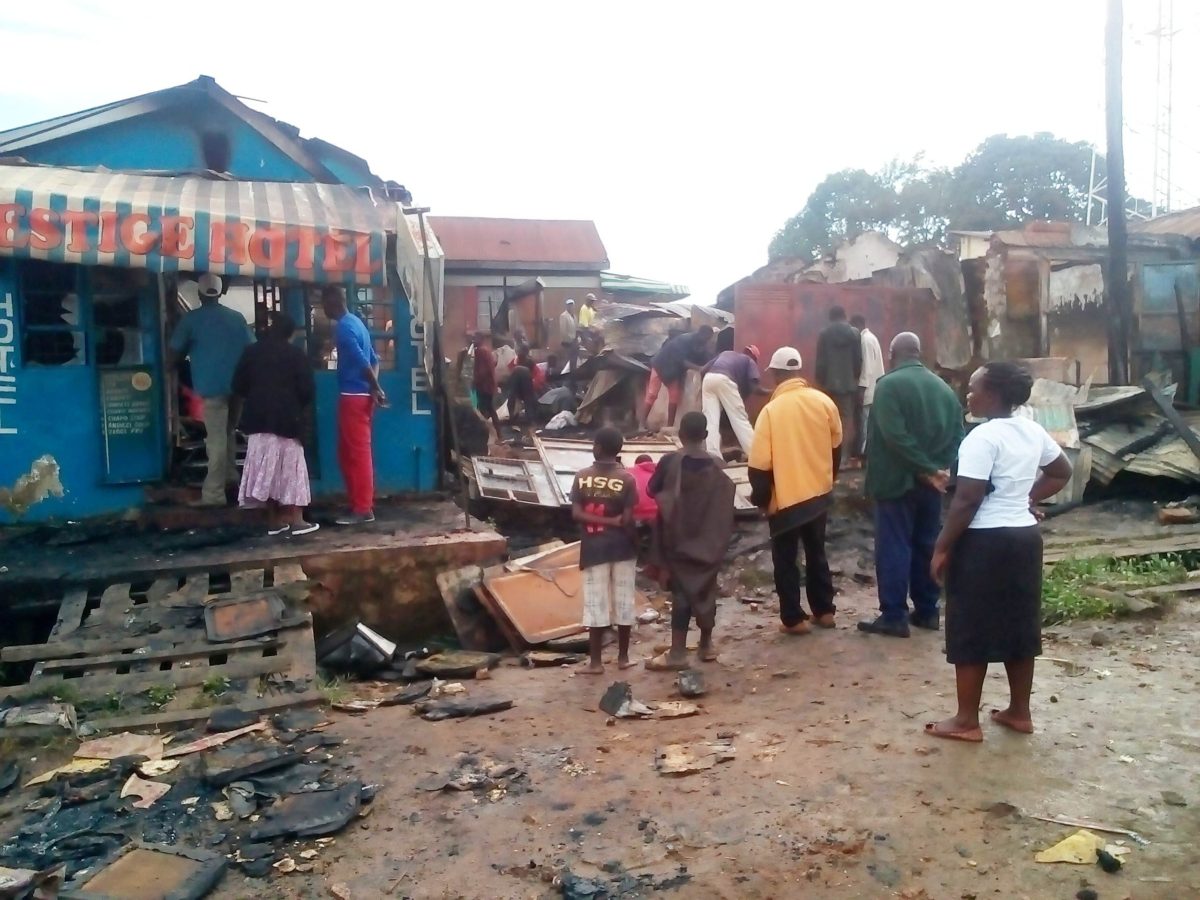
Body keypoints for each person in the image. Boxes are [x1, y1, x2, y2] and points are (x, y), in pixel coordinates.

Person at [925, 362, 1072, 742]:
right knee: (1019, 623)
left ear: (992, 395)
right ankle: (1019, 712)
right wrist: (1025, 497)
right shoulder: (1031, 430)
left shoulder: (982, 437)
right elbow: (1061, 471)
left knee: (970, 626)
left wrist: (942, 547)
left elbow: (968, 499)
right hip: (1024, 539)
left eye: (974, 388)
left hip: (983, 543)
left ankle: (965, 721)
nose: (968, 394)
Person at [858, 332, 964, 638]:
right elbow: (959, 432)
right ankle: (928, 611)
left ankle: (894, 615)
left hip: (895, 482)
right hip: (932, 486)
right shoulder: (944, 389)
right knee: (926, 543)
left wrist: (925, 468)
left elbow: (894, 436)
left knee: (894, 546)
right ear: (919, 353)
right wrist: (939, 468)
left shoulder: (888, 385)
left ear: (893, 354)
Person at [748, 347, 842, 635]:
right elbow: (837, 447)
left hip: (785, 499)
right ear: (799, 372)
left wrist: (763, 500)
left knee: (786, 559)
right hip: (818, 494)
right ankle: (824, 611)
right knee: (817, 552)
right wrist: (828, 481)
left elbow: (759, 465)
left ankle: (793, 619)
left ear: (776, 375)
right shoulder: (824, 403)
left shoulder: (771, 411)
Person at [645, 412, 735, 670]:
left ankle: (677, 653)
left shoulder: (670, 462)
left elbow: (652, 490)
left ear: (681, 435)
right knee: (706, 588)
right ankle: (706, 646)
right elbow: (727, 498)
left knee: (682, 593)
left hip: (678, 537)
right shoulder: (718, 465)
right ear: (706, 436)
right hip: (709, 539)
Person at [170, 273, 253, 507]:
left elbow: (174, 352)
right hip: (238, 386)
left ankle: (214, 495)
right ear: (219, 292)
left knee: (215, 440)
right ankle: (230, 476)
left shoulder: (191, 320)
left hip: (212, 388)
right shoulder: (237, 318)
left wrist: (167, 368)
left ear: (199, 293)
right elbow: (252, 348)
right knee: (228, 432)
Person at [231, 314, 318, 537]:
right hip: (288, 420)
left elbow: (238, 385)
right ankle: (297, 520)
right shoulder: (296, 355)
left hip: (258, 419)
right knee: (291, 470)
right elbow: (307, 391)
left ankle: (273, 521)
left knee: (266, 469)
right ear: (291, 333)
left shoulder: (251, 352)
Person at [570, 427, 638, 674]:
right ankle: (623, 658)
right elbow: (628, 520)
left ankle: (596, 663)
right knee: (623, 602)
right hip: (623, 548)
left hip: (594, 548)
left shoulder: (582, 476)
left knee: (595, 604)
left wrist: (604, 523)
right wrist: (622, 529)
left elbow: (576, 514)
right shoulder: (628, 479)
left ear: (597, 447)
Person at [321, 285, 386, 526]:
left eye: (324, 303)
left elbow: (363, 362)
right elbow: (374, 360)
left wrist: (375, 387)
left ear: (333, 302)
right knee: (349, 453)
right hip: (361, 396)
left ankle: (362, 509)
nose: (323, 309)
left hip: (352, 396)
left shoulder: (344, 329)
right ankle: (359, 503)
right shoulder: (357, 323)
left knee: (356, 454)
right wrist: (374, 387)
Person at [640, 326, 715, 431]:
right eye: (706, 338)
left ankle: (669, 427)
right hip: (660, 364)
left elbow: (706, 359)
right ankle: (641, 424)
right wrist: (699, 368)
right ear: (700, 334)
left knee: (674, 396)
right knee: (652, 394)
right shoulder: (683, 340)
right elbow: (682, 361)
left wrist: (711, 365)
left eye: (709, 339)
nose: (707, 341)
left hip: (674, 372)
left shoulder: (702, 346)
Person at [700, 344, 766, 458]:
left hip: (708, 379)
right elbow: (754, 387)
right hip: (725, 379)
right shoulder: (749, 361)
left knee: (711, 420)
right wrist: (771, 391)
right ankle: (756, 456)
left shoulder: (726, 353)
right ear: (754, 357)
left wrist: (705, 387)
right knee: (739, 418)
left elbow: (702, 370)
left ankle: (714, 455)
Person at [815, 306, 862, 465]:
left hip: (829, 384)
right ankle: (844, 458)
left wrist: (821, 381)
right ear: (844, 316)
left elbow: (820, 362)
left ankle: (830, 456)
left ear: (831, 317)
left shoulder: (824, 334)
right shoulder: (855, 334)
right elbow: (858, 361)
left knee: (829, 420)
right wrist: (854, 377)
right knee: (846, 420)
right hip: (848, 385)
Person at [851, 314, 885, 461]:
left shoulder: (865, 340)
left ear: (858, 325)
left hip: (869, 389)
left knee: (865, 423)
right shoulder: (871, 338)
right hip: (874, 387)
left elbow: (867, 367)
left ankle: (864, 454)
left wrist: (861, 389)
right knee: (869, 423)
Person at [472, 332, 503, 436]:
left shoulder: (480, 351)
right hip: (489, 385)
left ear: (480, 339)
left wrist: (475, 381)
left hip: (484, 386)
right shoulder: (486, 351)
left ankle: (484, 434)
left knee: (482, 410)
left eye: (475, 338)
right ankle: (498, 433)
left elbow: (483, 371)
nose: (473, 341)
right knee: (490, 409)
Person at [630, 454, 659, 525]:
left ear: (636, 464)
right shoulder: (662, 472)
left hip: (635, 518)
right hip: (658, 517)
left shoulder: (629, 472)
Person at [559, 300, 579, 376]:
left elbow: (576, 328)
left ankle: (572, 377)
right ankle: (566, 378)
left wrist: (577, 339)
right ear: (566, 306)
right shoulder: (563, 316)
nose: (570, 307)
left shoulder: (574, 316)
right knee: (568, 362)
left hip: (575, 342)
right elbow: (563, 331)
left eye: (572, 305)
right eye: (569, 305)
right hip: (568, 343)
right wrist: (571, 340)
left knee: (574, 362)